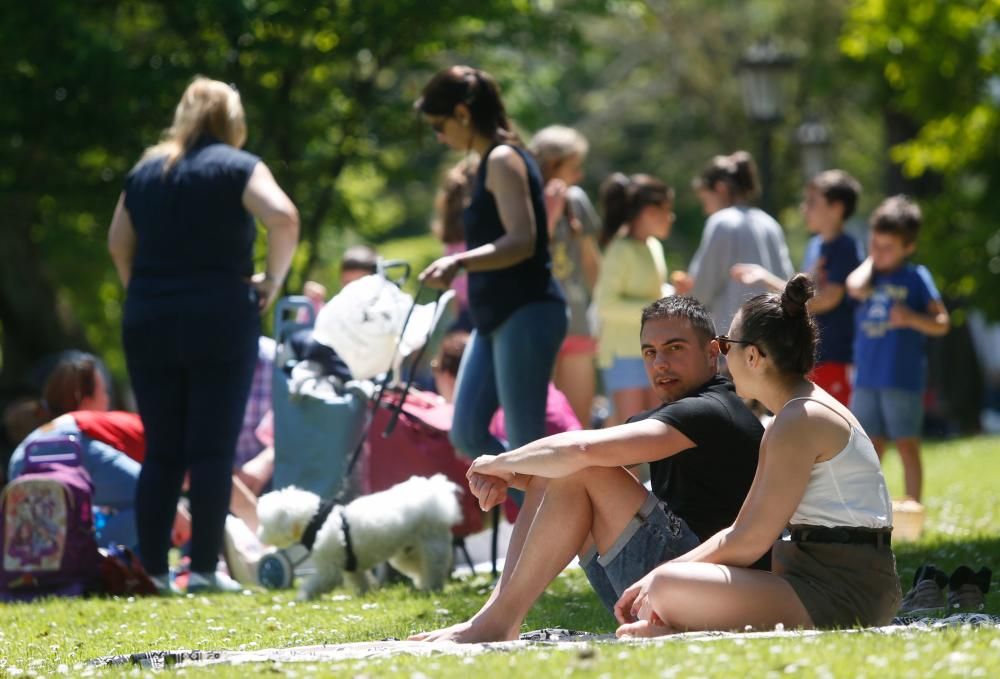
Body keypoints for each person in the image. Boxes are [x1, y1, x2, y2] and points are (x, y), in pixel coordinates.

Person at [410, 296, 765, 643]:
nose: (660, 363)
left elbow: (581, 450)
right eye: (649, 352)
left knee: (581, 466)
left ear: (712, 353)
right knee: (558, 471)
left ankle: (497, 621)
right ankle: (493, 617)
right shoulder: (678, 413)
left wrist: (499, 463)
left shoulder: (712, 410)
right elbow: (567, 465)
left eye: (674, 348)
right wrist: (517, 478)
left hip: (714, 590)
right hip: (672, 586)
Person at [612, 275, 901, 637]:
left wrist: (655, 579)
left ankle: (674, 628)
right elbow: (741, 533)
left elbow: (749, 540)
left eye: (725, 344)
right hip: (830, 582)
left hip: (840, 593)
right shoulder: (796, 414)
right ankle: (675, 627)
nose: (722, 356)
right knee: (668, 582)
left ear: (753, 356)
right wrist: (656, 579)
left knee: (669, 584)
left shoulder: (800, 419)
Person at [107, 76, 299, 593]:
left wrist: (142, 292)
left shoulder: (147, 172)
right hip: (219, 314)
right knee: (211, 448)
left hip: (149, 317)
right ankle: (206, 570)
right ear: (232, 120)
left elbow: (117, 242)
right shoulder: (238, 167)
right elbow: (282, 216)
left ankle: (152, 569)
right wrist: (272, 283)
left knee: (163, 449)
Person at [415, 65, 566, 468]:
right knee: (466, 433)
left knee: (525, 443)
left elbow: (523, 240)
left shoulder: (502, 159)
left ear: (463, 113)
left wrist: (458, 261)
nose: (439, 136)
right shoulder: (486, 164)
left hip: (528, 311)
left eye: (439, 125)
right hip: (494, 318)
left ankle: (556, 514)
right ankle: (545, 502)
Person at [845, 196, 949, 502]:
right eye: (875, 244)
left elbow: (942, 322)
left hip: (901, 378)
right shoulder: (869, 275)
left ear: (908, 247)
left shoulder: (916, 277)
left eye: (888, 247)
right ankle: (867, 508)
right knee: (869, 447)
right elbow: (853, 286)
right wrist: (873, 258)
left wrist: (912, 318)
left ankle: (913, 505)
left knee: (906, 444)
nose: (880, 252)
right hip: (867, 378)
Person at [730, 170, 864, 405]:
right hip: (811, 354)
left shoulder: (845, 248)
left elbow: (824, 300)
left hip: (837, 354)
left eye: (813, 202)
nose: (805, 208)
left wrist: (766, 277)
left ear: (837, 208)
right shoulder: (815, 246)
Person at [673, 151, 794, 334]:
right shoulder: (770, 223)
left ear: (720, 189)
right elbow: (785, 280)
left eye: (705, 200)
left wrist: (685, 293)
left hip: (734, 337)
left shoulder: (722, 222)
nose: (706, 210)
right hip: (773, 335)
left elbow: (702, 290)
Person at [528, 126, 602, 426]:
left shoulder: (578, 199)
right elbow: (526, 255)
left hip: (577, 322)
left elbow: (590, 260)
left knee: (576, 423)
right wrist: (550, 212)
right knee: (537, 422)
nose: (580, 175)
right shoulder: (524, 199)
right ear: (552, 165)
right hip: (534, 323)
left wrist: (601, 310)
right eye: (574, 167)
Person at [593, 173, 674, 426]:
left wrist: (671, 291)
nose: (671, 217)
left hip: (654, 352)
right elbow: (605, 305)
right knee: (629, 434)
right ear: (649, 212)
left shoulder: (653, 246)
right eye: (667, 210)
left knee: (657, 429)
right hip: (623, 354)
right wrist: (658, 306)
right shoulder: (619, 250)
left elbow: (654, 291)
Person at [430, 157, 479, 332]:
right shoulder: (481, 234)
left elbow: (457, 296)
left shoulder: (451, 237)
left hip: (465, 316)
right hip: (485, 310)